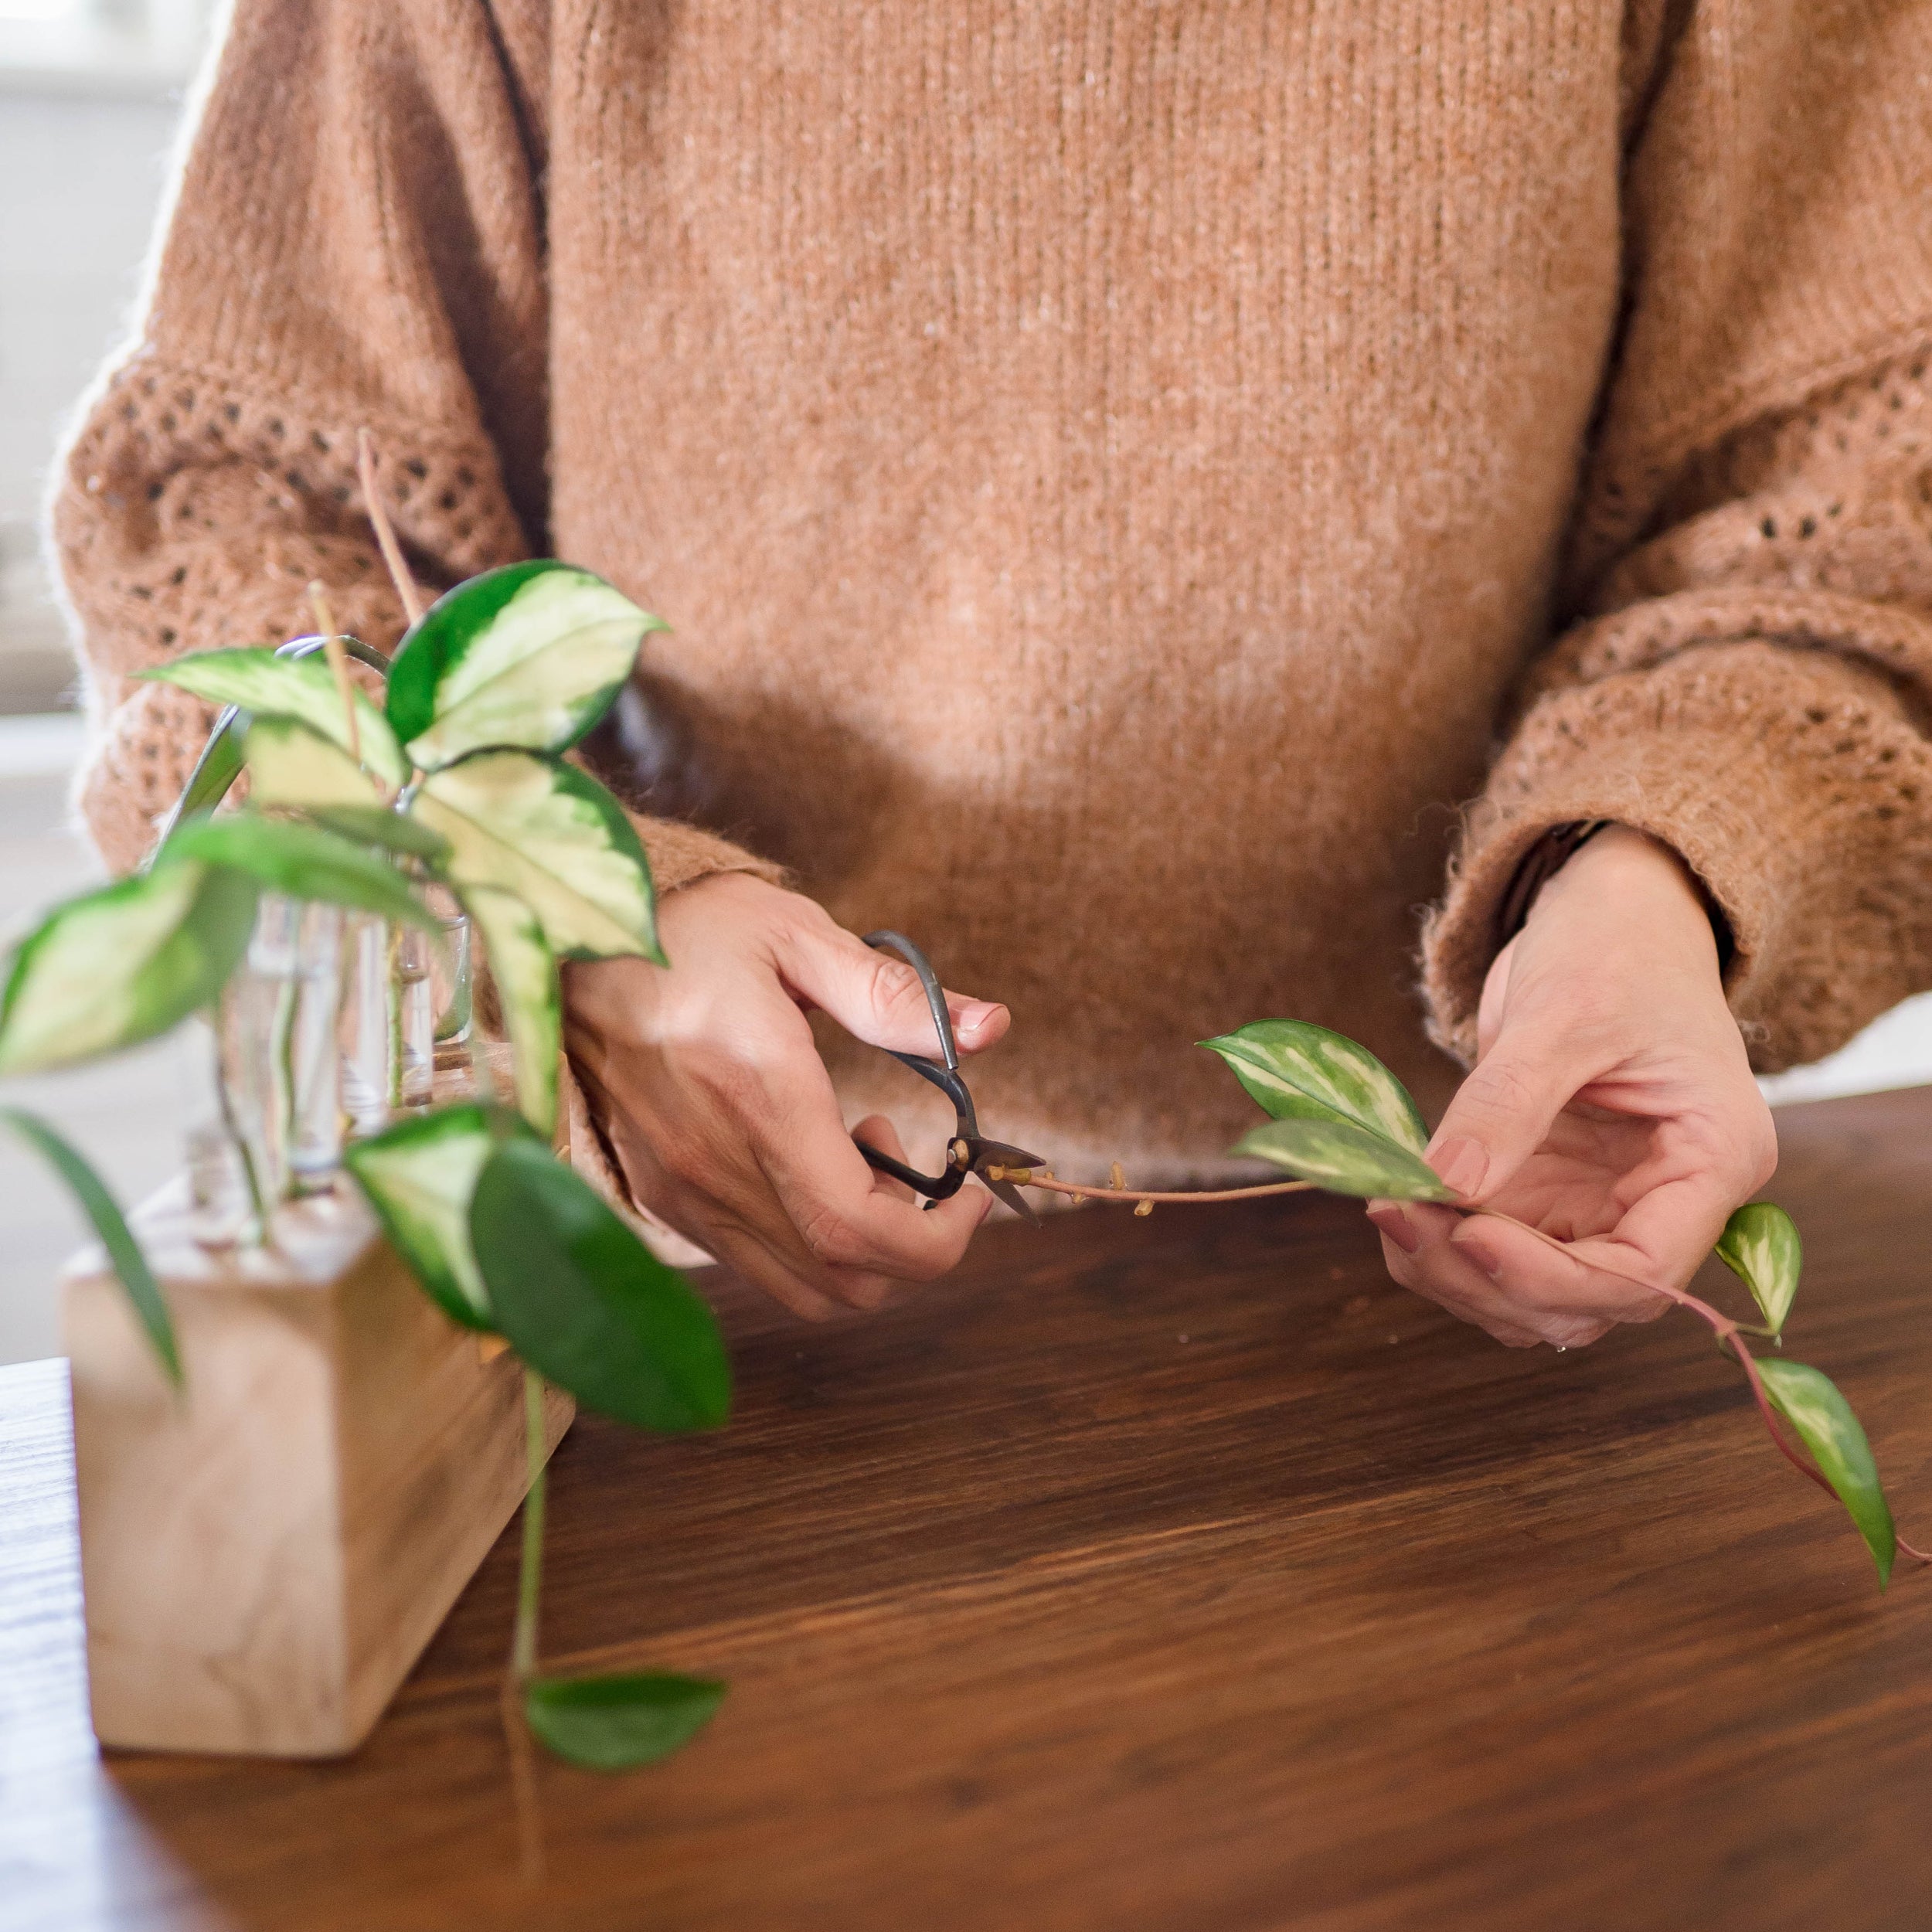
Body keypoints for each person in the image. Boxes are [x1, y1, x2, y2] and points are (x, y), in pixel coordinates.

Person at [53, 1, 1932, 1343]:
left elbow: (1850, 518)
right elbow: (231, 551)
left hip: (1475, 1266)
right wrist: (578, 933)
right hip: (712, 1275)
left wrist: (1661, 870)